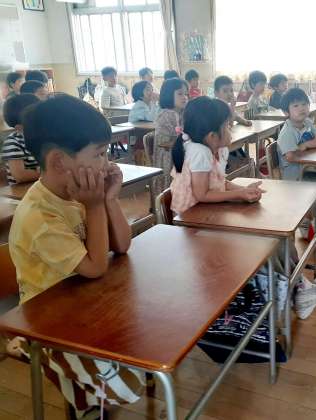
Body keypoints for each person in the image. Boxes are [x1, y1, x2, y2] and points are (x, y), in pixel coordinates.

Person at [7, 94, 143, 418]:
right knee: (120, 387)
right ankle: (87, 406)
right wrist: (94, 206)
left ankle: (91, 399)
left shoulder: (76, 193)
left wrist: (109, 200)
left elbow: (122, 245)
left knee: (139, 346)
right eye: (99, 154)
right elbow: (95, 267)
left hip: (83, 301)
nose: (107, 164)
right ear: (59, 162)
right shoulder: (40, 215)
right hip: (47, 320)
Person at [171, 96, 316, 319]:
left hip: (210, 214)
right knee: (268, 238)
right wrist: (238, 194)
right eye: (227, 126)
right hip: (195, 227)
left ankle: (300, 287)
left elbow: (219, 182)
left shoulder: (212, 148)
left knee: (278, 234)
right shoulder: (199, 152)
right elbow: (202, 194)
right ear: (212, 135)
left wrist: (242, 191)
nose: (231, 129)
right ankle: (299, 291)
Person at [277, 88, 316, 250]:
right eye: (296, 106)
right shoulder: (287, 132)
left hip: (309, 169)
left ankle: (315, 216)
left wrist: (305, 145)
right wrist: (308, 153)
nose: (302, 108)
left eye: (304, 104)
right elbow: (290, 157)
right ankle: (310, 219)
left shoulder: (307, 123)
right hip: (295, 176)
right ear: (286, 112)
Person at [154, 78, 188, 193]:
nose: (184, 97)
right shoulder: (166, 114)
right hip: (168, 156)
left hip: (179, 151)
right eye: (180, 94)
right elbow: (166, 141)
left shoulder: (181, 113)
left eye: (186, 94)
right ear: (168, 95)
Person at [1, 94, 40, 184]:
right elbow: (20, 175)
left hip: (43, 185)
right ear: (19, 127)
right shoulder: (13, 142)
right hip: (23, 190)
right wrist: (48, 174)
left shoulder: (44, 138)